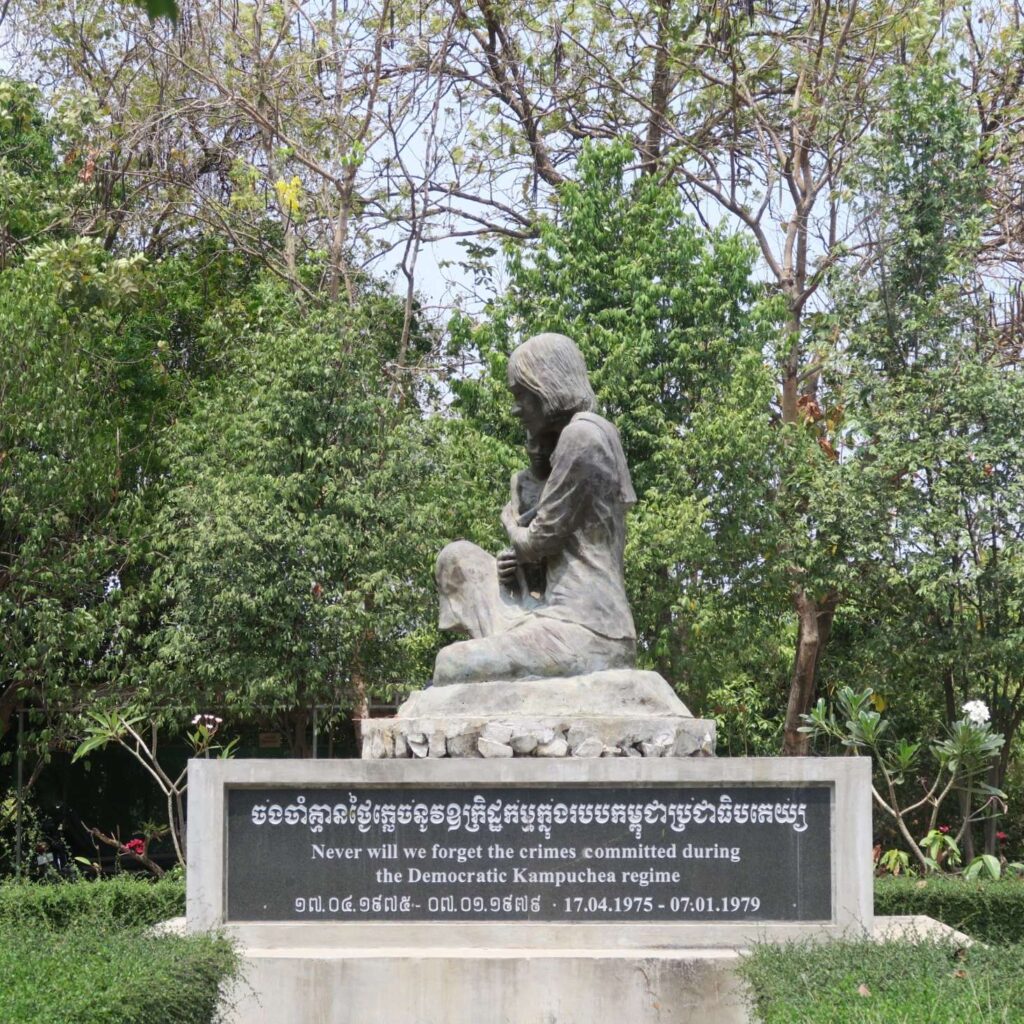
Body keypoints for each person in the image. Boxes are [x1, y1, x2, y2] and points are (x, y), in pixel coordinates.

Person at [433, 333, 637, 685]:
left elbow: (537, 542)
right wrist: (514, 569)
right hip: (561, 616)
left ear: (546, 386)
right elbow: (557, 552)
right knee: (458, 557)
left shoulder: (581, 436)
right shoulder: (594, 432)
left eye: (520, 395)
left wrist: (510, 524)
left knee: (451, 663)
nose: (516, 409)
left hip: (586, 627)